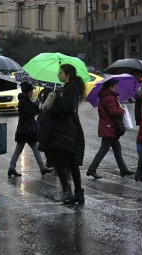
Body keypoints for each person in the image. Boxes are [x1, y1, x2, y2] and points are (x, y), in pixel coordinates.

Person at [38, 64, 86, 204]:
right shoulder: (67, 87)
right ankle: (76, 193)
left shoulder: (71, 88)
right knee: (69, 162)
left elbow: (66, 107)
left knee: (59, 160)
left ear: (67, 74)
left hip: (66, 130)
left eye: (60, 73)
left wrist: (54, 98)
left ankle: (68, 191)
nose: (58, 75)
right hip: (66, 129)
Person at [86, 79, 135, 179]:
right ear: (111, 86)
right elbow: (113, 112)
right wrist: (121, 109)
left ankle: (123, 170)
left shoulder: (109, 96)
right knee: (104, 149)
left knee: (117, 149)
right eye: (115, 85)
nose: (116, 87)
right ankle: (91, 169)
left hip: (111, 127)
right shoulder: (109, 97)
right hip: (109, 127)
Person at [7, 82, 53, 178]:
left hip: (24, 130)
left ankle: (12, 167)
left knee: (21, 149)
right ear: (27, 92)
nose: (32, 92)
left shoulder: (26, 100)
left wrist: (35, 105)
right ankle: (42, 168)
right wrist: (36, 107)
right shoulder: (24, 101)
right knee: (32, 149)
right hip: (27, 130)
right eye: (31, 91)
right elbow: (29, 114)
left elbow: (32, 111)